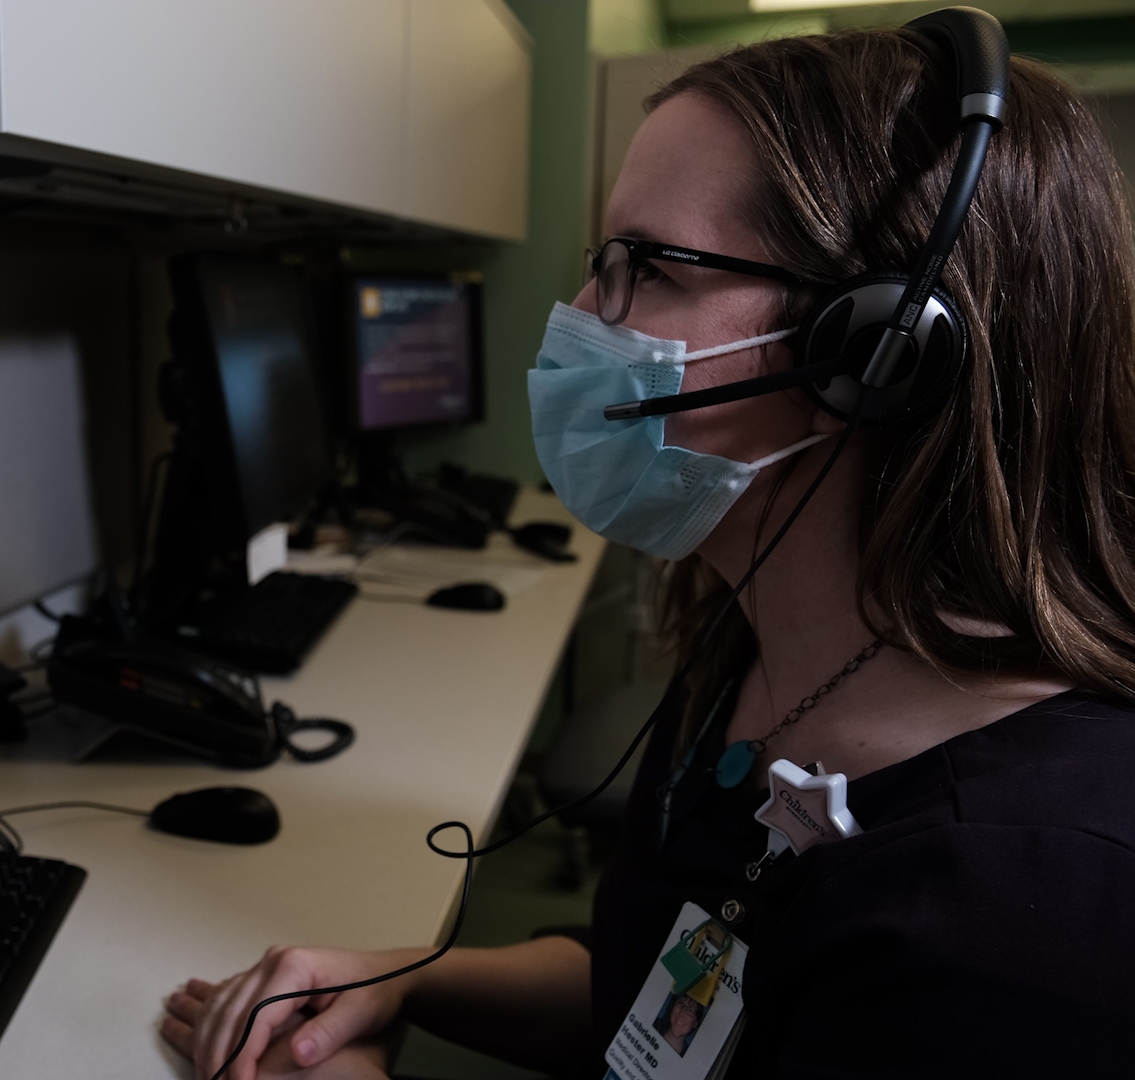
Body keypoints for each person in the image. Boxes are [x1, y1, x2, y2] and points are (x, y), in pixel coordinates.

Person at [161, 24, 1135, 1079]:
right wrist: (409, 976)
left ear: (877, 349)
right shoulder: (761, 647)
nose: (579, 319)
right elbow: (663, 985)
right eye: (600, 264)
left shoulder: (1024, 917)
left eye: (649, 268)